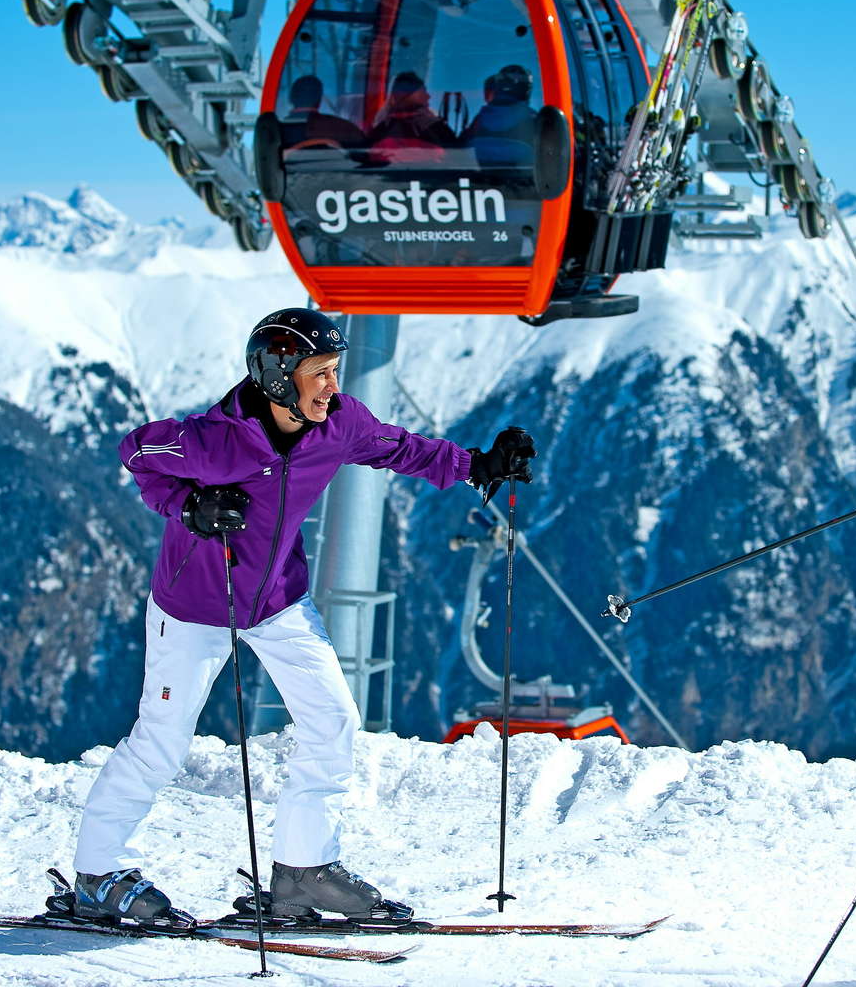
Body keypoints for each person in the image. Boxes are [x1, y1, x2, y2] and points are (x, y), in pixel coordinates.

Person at [70, 307, 536, 925]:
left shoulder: (337, 425)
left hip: (279, 599)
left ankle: (302, 871)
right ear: (277, 376)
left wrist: (479, 465)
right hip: (193, 608)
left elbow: (402, 448)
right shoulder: (215, 439)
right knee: (162, 740)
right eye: (320, 373)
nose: (334, 387)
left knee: (332, 720)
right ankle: (99, 874)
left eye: (335, 371)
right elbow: (137, 454)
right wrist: (190, 506)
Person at [366, 71, 458, 162]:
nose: (428, 96)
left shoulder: (380, 130)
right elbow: (458, 158)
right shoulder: (435, 128)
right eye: (423, 91)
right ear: (409, 95)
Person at [460, 65, 538, 167]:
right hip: (523, 181)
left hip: (475, 179)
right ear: (527, 90)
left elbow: (461, 147)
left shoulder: (480, 119)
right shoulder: (535, 119)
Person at [281, 74, 366, 150]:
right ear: (319, 101)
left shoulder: (276, 133)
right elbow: (364, 156)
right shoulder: (346, 128)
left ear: (291, 98)